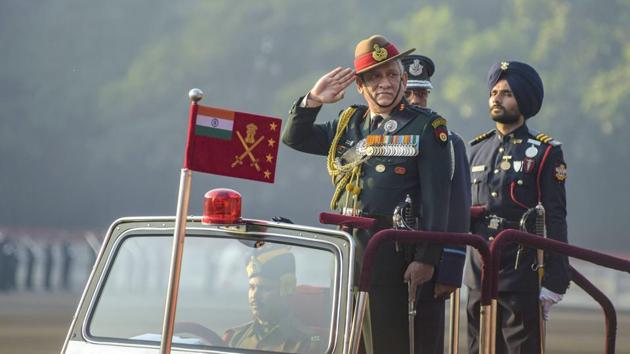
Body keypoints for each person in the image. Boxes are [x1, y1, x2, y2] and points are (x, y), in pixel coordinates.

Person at [282, 34, 452, 354]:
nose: (384, 84)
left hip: (393, 252)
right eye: (374, 77)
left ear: (403, 79)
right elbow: (294, 137)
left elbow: (437, 200)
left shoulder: (426, 128)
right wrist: (313, 100)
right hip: (349, 251)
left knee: (387, 341)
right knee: (350, 341)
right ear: (360, 86)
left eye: (391, 75)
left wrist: (427, 259)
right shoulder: (349, 124)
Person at [464, 61, 570, 353]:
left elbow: (556, 217)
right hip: (478, 275)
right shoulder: (475, 150)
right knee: (477, 349)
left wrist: (556, 279)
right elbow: (459, 215)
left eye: (507, 93)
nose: (497, 98)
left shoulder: (545, 151)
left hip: (522, 274)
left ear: (523, 100)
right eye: (494, 92)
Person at [401, 54, 471, 353]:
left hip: (429, 258)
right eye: (410, 92)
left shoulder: (449, 141)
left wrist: (451, 270)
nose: (417, 99)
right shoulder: (376, 135)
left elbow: (457, 207)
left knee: (424, 341)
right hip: (386, 254)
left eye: (423, 92)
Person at [223, 247, 321, 353]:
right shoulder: (235, 337)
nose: (254, 295)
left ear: (286, 290)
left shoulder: (307, 342)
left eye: (265, 288)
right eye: (252, 287)